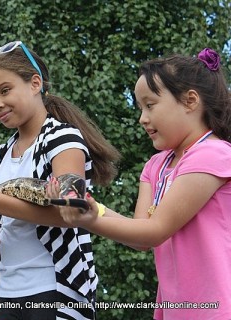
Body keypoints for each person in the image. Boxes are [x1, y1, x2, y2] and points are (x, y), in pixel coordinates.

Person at [53, 48, 231, 319]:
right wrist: (90, 207)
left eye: (150, 105)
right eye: (140, 107)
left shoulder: (213, 155)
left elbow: (155, 230)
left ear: (190, 101)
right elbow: (141, 236)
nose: (142, 118)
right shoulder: (155, 166)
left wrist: (88, 220)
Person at [0, 41, 120, 320]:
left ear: (35, 84)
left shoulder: (63, 139)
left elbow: (71, 213)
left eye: (5, 90)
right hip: (5, 292)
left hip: (55, 288)